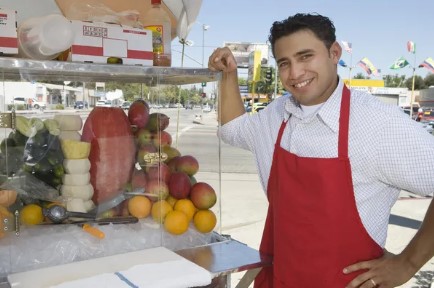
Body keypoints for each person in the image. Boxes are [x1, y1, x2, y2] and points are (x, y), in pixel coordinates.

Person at [208, 13, 434, 288]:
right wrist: (228, 75)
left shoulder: (378, 123)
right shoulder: (277, 115)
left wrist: (408, 264)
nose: (295, 73)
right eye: (284, 63)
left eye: (305, 56)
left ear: (334, 53)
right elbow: (233, 129)